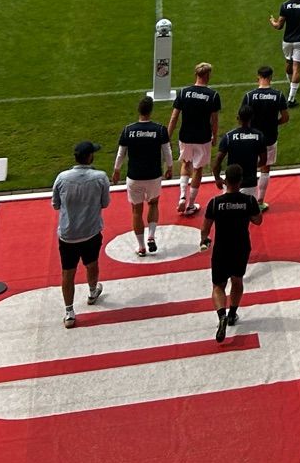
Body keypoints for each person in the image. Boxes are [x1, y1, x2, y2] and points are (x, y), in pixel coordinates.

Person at [199, 165, 263, 344]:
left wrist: (204, 241)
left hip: (221, 248)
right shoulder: (249, 201)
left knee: (218, 285)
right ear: (240, 181)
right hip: (241, 247)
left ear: (225, 181)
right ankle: (233, 313)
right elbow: (258, 221)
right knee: (237, 280)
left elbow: (205, 228)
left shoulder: (215, 203)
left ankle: (222, 316)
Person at [50, 141, 111, 328]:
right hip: (91, 231)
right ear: (90, 157)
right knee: (91, 264)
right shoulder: (100, 177)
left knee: (67, 272)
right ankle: (92, 292)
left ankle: (69, 311)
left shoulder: (62, 177)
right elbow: (105, 203)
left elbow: (56, 204)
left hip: (68, 234)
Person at [111, 96, 174, 256]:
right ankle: (151, 236)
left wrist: (116, 170)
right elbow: (167, 151)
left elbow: (120, 154)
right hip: (153, 175)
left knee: (136, 211)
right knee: (153, 204)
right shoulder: (160, 129)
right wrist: (170, 167)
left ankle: (141, 247)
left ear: (138, 110)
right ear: (151, 110)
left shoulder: (128, 130)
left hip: (134, 176)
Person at [168, 62, 221, 216]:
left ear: (196, 75)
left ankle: (182, 196)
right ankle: (190, 204)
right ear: (207, 75)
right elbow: (215, 121)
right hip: (203, 138)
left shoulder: (184, 92)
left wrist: (167, 137)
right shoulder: (213, 95)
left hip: (185, 135)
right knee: (198, 169)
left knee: (186, 163)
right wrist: (215, 136)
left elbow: (174, 117)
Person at [239, 66, 289, 204]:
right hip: (270, 137)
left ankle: (247, 198)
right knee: (265, 168)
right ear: (271, 78)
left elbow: (242, 117)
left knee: (249, 167)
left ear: (258, 77)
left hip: (251, 137)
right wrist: (274, 123)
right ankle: (260, 200)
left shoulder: (249, 96)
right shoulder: (278, 95)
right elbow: (285, 117)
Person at [217, 111, 270, 206]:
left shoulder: (229, 137)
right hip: (250, 183)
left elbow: (218, 161)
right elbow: (263, 161)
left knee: (228, 213)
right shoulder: (259, 136)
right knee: (247, 214)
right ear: (251, 118)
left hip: (231, 182)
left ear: (238, 118)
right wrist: (252, 166)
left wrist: (217, 178)